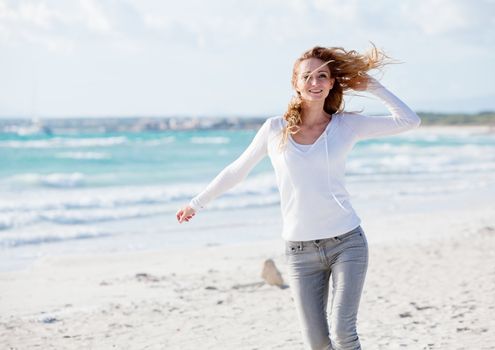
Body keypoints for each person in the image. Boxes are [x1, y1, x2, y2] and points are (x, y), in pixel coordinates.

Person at [176, 44, 421, 350]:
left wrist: (369, 85)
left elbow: (409, 121)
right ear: (295, 83)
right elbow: (237, 171)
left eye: (322, 76)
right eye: (307, 76)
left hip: (347, 243)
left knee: (344, 334)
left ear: (332, 82)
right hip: (300, 252)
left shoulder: (346, 126)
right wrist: (196, 203)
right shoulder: (275, 130)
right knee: (317, 344)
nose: (315, 83)